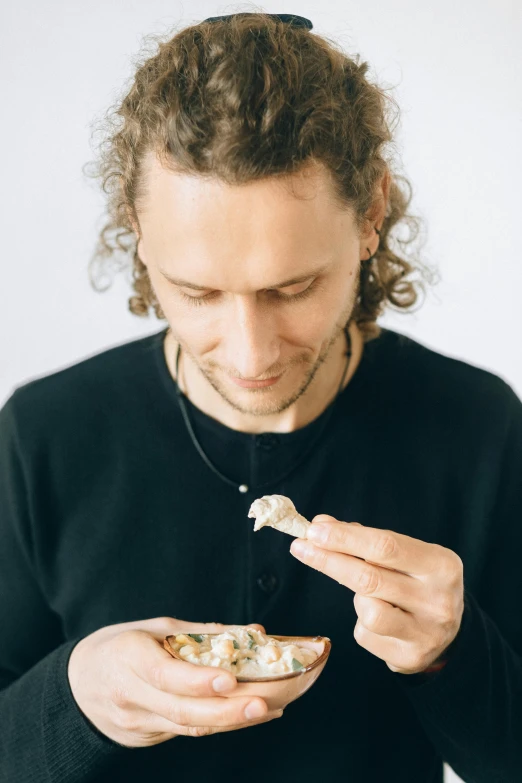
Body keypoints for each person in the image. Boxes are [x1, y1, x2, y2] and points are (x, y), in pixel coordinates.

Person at [1, 12, 520, 783]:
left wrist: (452, 652)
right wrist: (76, 697)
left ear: (371, 217)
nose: (250, 355)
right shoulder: (42, 437)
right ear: (138, 231)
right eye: (198, 291)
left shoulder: (477, 429)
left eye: (293, 287)